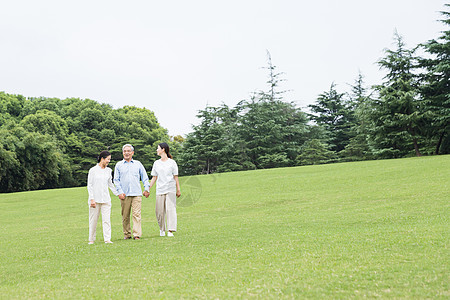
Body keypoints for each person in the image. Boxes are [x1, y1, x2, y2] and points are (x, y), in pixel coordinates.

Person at [114, 144, 150, 240]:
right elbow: (116, 180)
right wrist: (120, 192)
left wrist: (146, 189)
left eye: (128, 151)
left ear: (132, 152)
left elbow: (145, 178)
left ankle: (136, 234)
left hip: (136, 193)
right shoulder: (119, 165)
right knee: (125, 216)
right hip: (124, 194)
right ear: (123, 153)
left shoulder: (138, 164)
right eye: (125, 151)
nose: (126, 153)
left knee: (137, 214)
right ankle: (127, 234)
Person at [87, 150, 119, 244]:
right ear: (102, 159)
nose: (109, 161)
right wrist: (92, 198)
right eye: (108, 159)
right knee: (93, 220)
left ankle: (107, 239)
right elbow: (90, 185)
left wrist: (117, 194)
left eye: (110, 159)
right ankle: (91, 239)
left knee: (106, 220)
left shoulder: (109, 171)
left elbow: (110, 184)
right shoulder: (93, 170)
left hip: (106, 199)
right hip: (95, 200)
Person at [149, 142, 181, 237]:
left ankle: (170, 230)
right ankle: (161, 229)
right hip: (160, 189)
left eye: (158, 148)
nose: (156, 150)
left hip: (170, 188)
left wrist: (178, 189)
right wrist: (148, 189)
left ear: (163, 149)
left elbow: (176, 177)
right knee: (159, 211)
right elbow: (154, 177)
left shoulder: (172, 162)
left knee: (170, 209)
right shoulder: (156, 163)